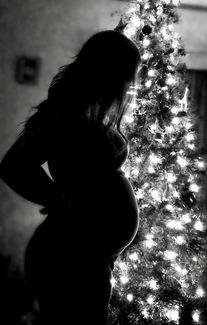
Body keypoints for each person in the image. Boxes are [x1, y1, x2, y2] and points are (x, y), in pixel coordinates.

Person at [0, 30, 141, 324]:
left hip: (88, 255)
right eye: (127, 74)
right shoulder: (64, 112)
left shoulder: (91, 109)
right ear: (108, 70)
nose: (129, 85)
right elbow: (13, 165)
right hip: (69, 257)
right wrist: (59, 199)